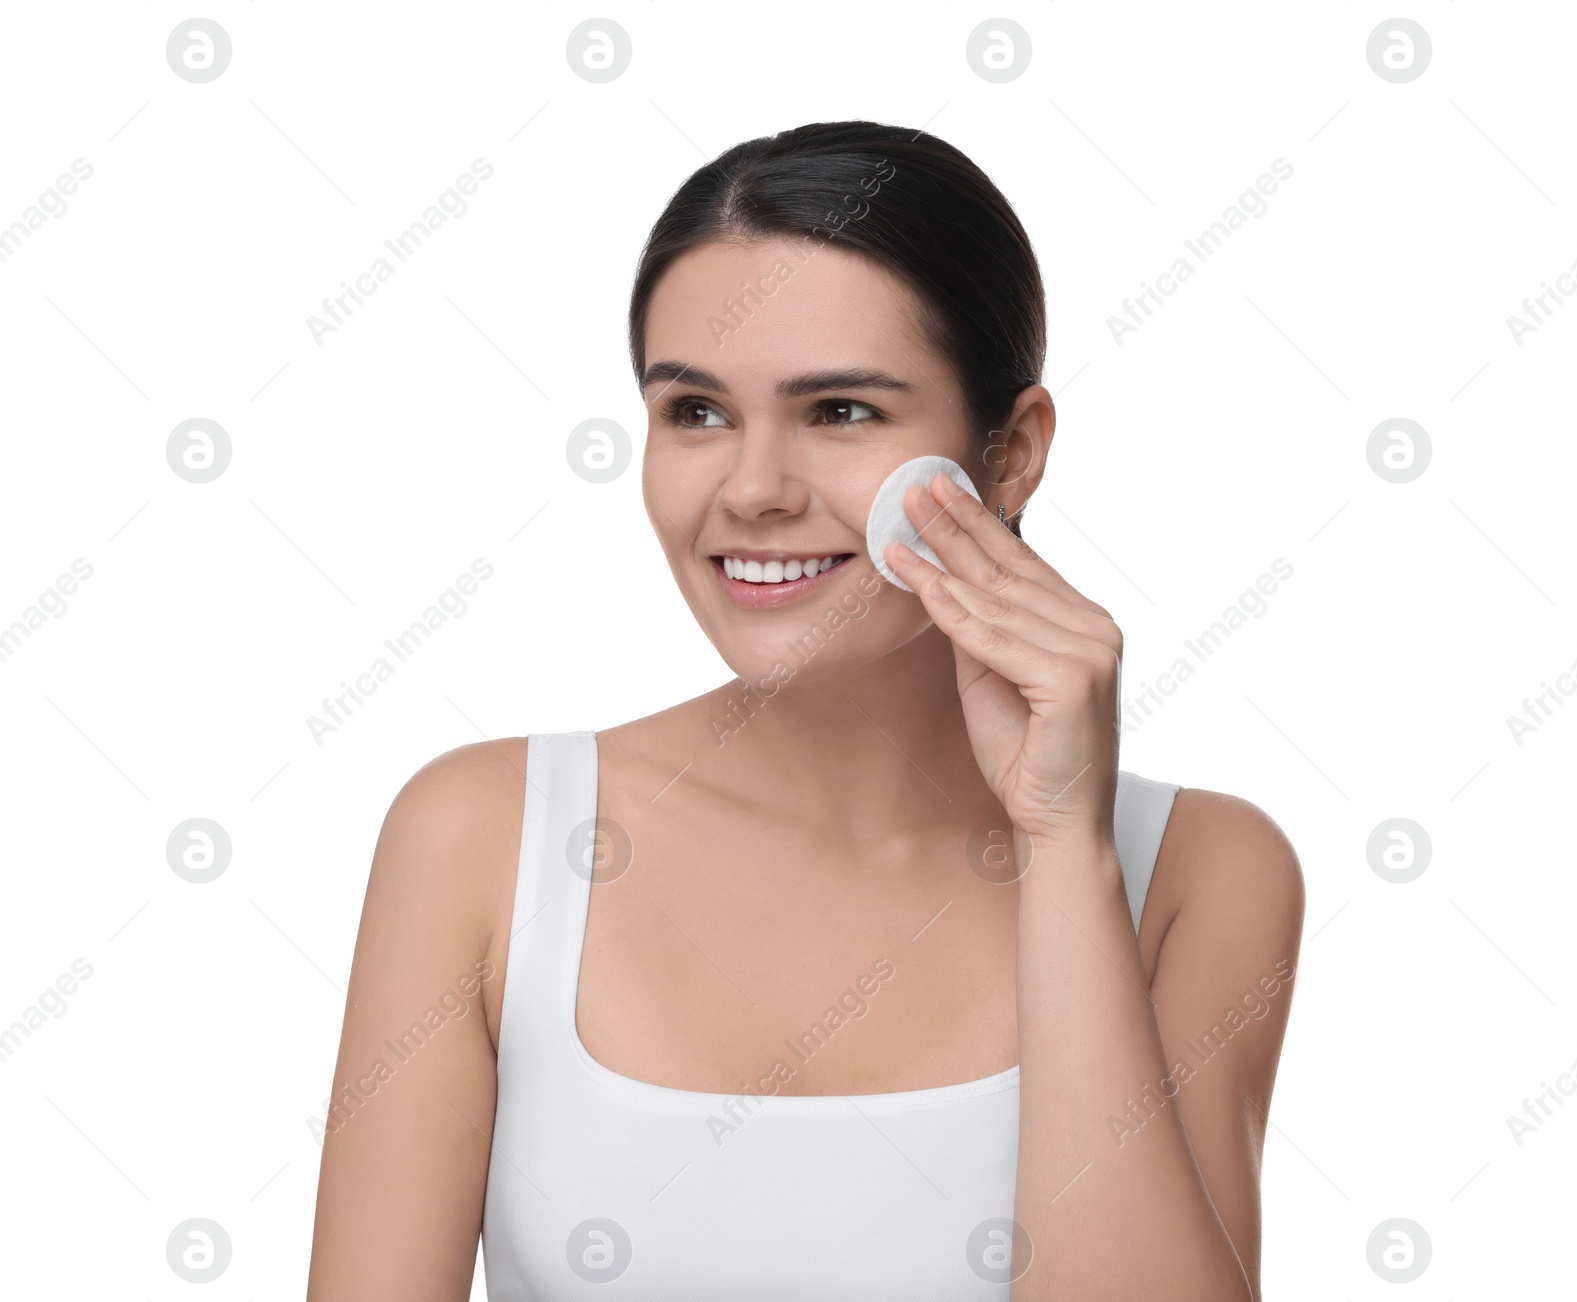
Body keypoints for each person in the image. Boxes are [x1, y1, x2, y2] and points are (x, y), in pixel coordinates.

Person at [306, 120, 1304, 1301]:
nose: (753, 490)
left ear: (1010, 455)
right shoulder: (480, 837)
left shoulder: (1199, 871)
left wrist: (1058, 845)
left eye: (839, 412)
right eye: (695, 411)